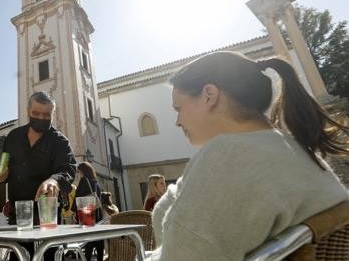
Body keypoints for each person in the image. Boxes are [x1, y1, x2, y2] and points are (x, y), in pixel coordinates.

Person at [150, 51, 349, 260]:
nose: (178, 121)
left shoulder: (226, 155)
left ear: (209, 95)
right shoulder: (294, 148)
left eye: (178, 108)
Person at [0, 91, 77, 261]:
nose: (41, 118)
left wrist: (54, 180)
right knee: (19, 256)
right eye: (36, 113)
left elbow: (68, 169)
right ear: (28, 112)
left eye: (46, 115)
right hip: (18, 213)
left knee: (50, 256)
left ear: (52, 114)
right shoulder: (13, 137)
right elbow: (4, 168)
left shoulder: (60, 141)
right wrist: (1, 176)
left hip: (47, 212)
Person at [72, 161, 104, 261]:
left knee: (88, 241)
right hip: (97, 214)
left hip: (87, 214)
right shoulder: (96, 182)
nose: (79, 174)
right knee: (98, 239)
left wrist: (74, 211)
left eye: (79, 172)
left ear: (83, 171)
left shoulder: (84, 181)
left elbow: (78, 197)